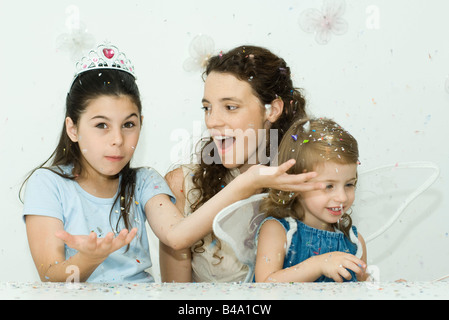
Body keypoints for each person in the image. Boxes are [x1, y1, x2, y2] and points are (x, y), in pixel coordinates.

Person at [21, 43, 318, 283]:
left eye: (128, 125)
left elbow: (177, 235)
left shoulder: (144, 182)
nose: (117, 140)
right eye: (101, 125)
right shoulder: (49, 184)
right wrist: (89, 258)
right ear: (72, 128)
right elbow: (51, 275)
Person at [160, 45, 323, 283]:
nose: (212, 121)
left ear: (273, 110)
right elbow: (176, 298)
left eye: (230, 107)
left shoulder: (310, 182)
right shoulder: (184, 185)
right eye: (207, 108)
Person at [255, 118, 369, 283]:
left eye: (349, 184)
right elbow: (264, 286)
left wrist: (388, 290)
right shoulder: (278, 231)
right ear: (296, 184)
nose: (342, 197)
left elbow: (363, 291)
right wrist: (318, 265)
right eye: (329, 186)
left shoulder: (354, 242)